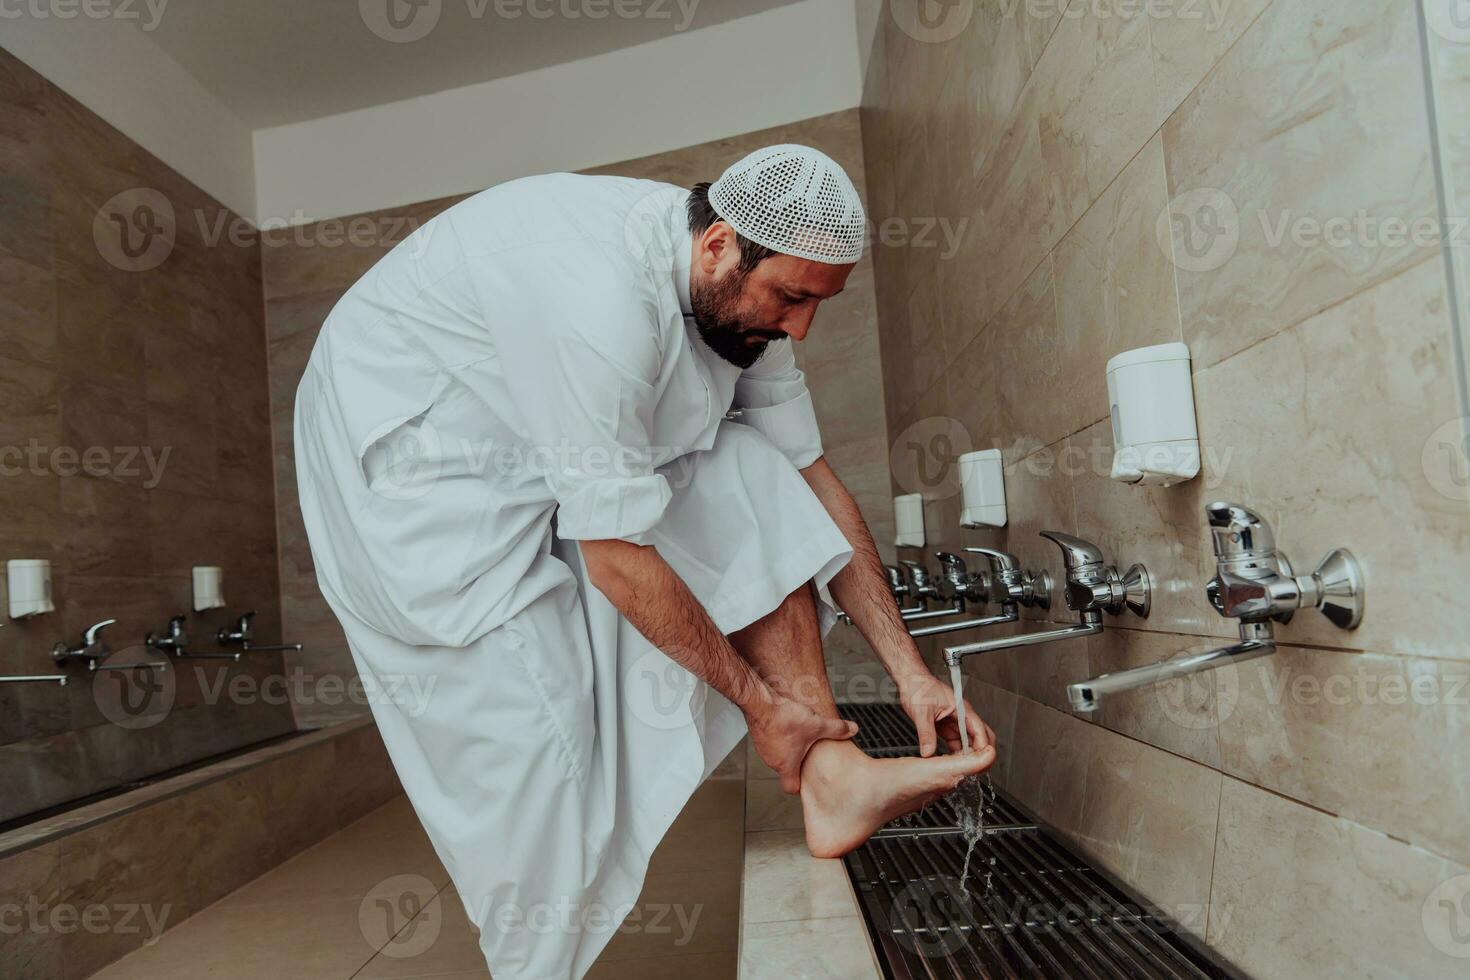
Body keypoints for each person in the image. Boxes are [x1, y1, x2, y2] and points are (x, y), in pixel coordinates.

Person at [294, 144, 996, 979]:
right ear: (718, 246)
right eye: (793, 298)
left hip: (533, 461)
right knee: (539, 749)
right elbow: (620, 564)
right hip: (413, 480)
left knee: (746, 474)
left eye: (818, 304)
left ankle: (831, 776)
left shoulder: (748, 293)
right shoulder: (598, 303)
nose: (800, 327)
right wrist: (755, 705)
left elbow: (808, 480)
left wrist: (910, 671)